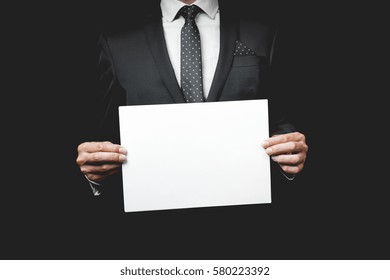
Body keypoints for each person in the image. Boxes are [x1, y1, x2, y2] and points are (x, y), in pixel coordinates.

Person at [76, 0, 308, 209]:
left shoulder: (264, 29)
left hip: (248, 215)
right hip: (150, 224)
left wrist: (292, 155)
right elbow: (104, 134)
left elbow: (282, 119)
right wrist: (94, 175)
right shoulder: (116, 40)